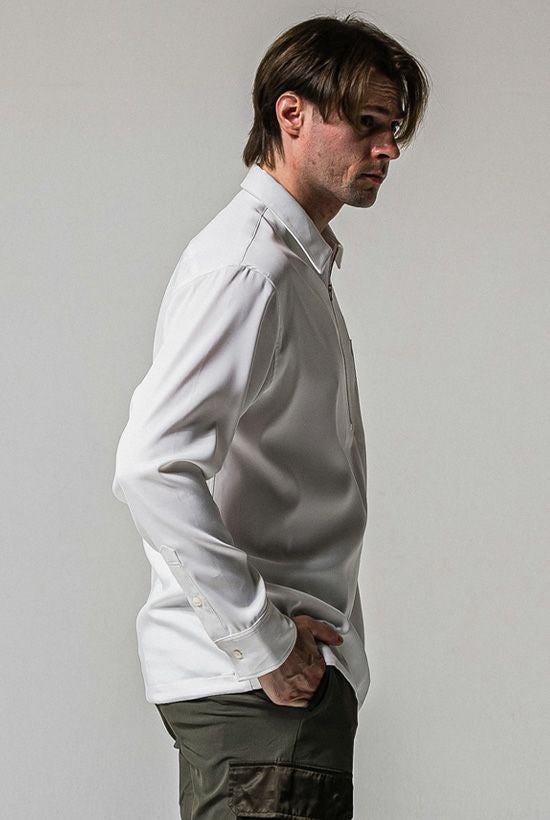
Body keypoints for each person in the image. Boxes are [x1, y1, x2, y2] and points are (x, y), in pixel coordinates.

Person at [112, 13, 430, 819]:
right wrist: (266, 642)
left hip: (276, 701)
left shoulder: (289, 263)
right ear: (292, 114)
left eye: (393, 129)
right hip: (261, 703)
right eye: (367, 124)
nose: (388, 148)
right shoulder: (252, 268)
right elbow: (152, 467)